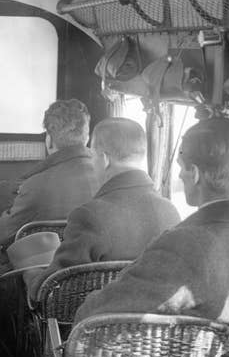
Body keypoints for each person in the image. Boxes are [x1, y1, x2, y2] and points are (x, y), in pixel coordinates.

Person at [75, 117, 229, 334]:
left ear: (195, 174)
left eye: (181, 168)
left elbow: (96, 313)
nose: (179, 175)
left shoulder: (186, 245)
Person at [28, 118, 180, 300]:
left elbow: (52, 288)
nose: (91, 163)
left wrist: (31, 276)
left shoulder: (89, 216)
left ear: (104, 159)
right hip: (154, 325)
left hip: (94, 324)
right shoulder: (172, 212)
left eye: (92, 155)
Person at [0, 99, 102, 247]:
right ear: (87, 138)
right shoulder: (108, 179)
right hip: (98, 267)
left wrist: (6, 214)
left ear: (49, 140)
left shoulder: (35, 185)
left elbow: (4, 235)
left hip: (50, 269)